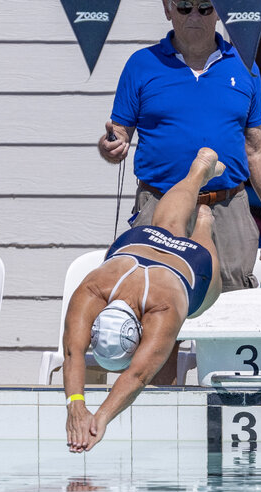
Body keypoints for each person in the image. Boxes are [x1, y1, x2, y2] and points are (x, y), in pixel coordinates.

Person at [99, 0, 261, 293]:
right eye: (185, 7)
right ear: (167, 8)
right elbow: (118, 135)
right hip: (159, 206)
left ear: (220, 12)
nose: (195, 16)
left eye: (205, 7)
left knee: (230, 313)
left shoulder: (245, 64)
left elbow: (256, 147)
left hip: (227, 209)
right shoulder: (141, 64)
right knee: (156, 311)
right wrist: (111, 146)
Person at [65, 148, 224, 453]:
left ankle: (204, 222)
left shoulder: (162, 308)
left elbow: (137, 374)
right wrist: (76, 405)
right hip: (134, 246)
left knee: (206, 298)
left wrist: (98, 418)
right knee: (168, 226)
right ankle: (198, 171)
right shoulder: (94, 287)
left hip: (189, 266)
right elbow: (73, 353)